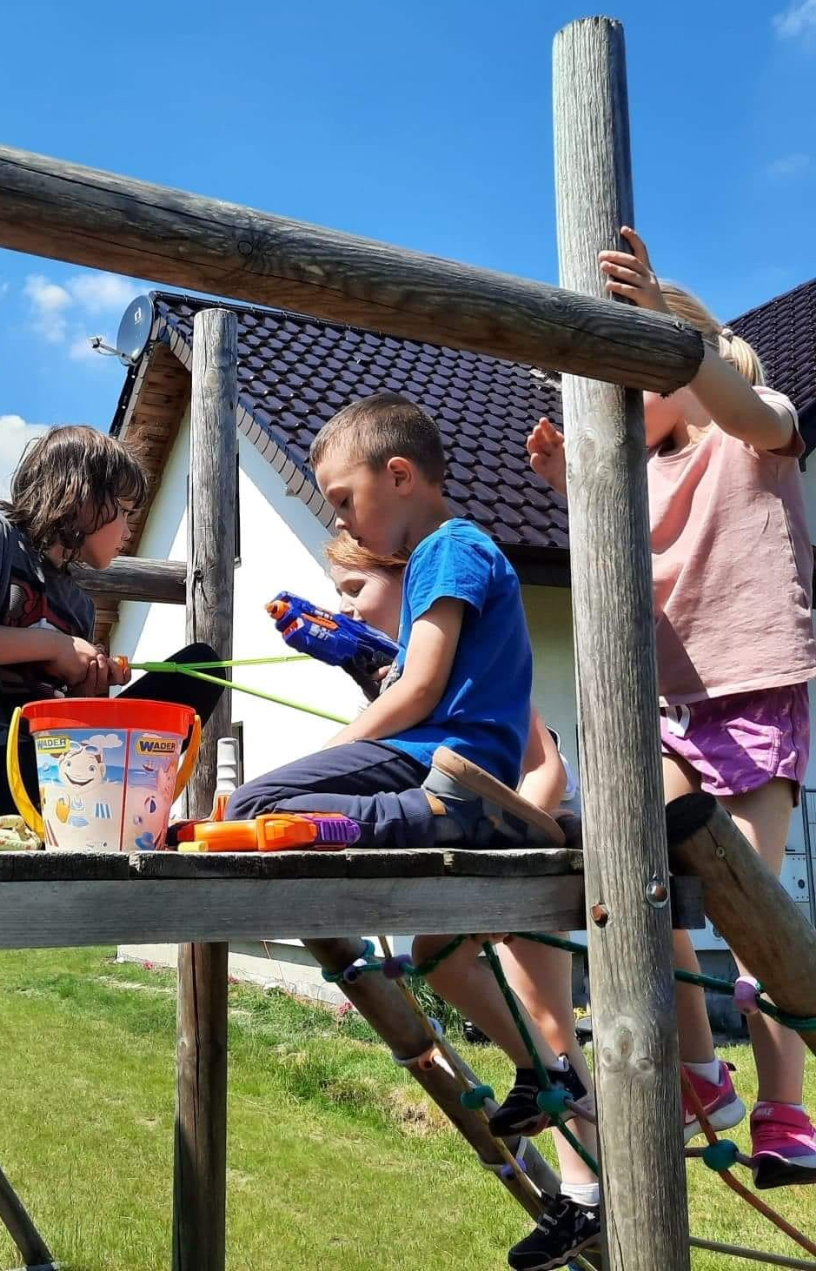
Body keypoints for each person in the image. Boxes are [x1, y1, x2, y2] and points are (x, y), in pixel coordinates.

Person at [527, 226, 816, 1191]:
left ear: (695, 359)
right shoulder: (636, 479)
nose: (627, 400)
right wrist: (574, 486)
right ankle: (700, 1067)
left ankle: (786, 1110)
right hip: (671, 708)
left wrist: (668, 331)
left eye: (643, 376)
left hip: (755, 694)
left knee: (754, 914)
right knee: (638, 875)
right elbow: (620, 567)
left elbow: (738, 403)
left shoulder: (756, 426)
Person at [325, 530, 601, 1268]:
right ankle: (547, 1093)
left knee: (548, 1018)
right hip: (492, 849)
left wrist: (518, 839)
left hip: (529, 851)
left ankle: (588, 1195)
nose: (344, 605)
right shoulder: (410, 670)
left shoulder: (470, 664)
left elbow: (542, 761)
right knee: (437, 957)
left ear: (401, 578)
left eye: (355, 589)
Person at [226, 393, 534, 848]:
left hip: (448, 759)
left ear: (399, 475)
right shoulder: (455, 549)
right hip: (455, 757)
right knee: (265, 809)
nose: (341, 522)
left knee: (256, 805)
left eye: (344, 501)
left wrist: (342, 745)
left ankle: (453, 811)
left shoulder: (444, 548)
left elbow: (422, 689)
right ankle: (453, 811)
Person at [0, 424, 223, 818]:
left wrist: (91, 684)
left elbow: (79, 717)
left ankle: (118, 793)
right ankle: (119, 794)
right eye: (126, 513)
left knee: (200, 667)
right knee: (62, 773)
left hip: (64, 759)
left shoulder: (78, 602)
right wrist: (56, 646)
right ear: (83, 499)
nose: (129, 530)